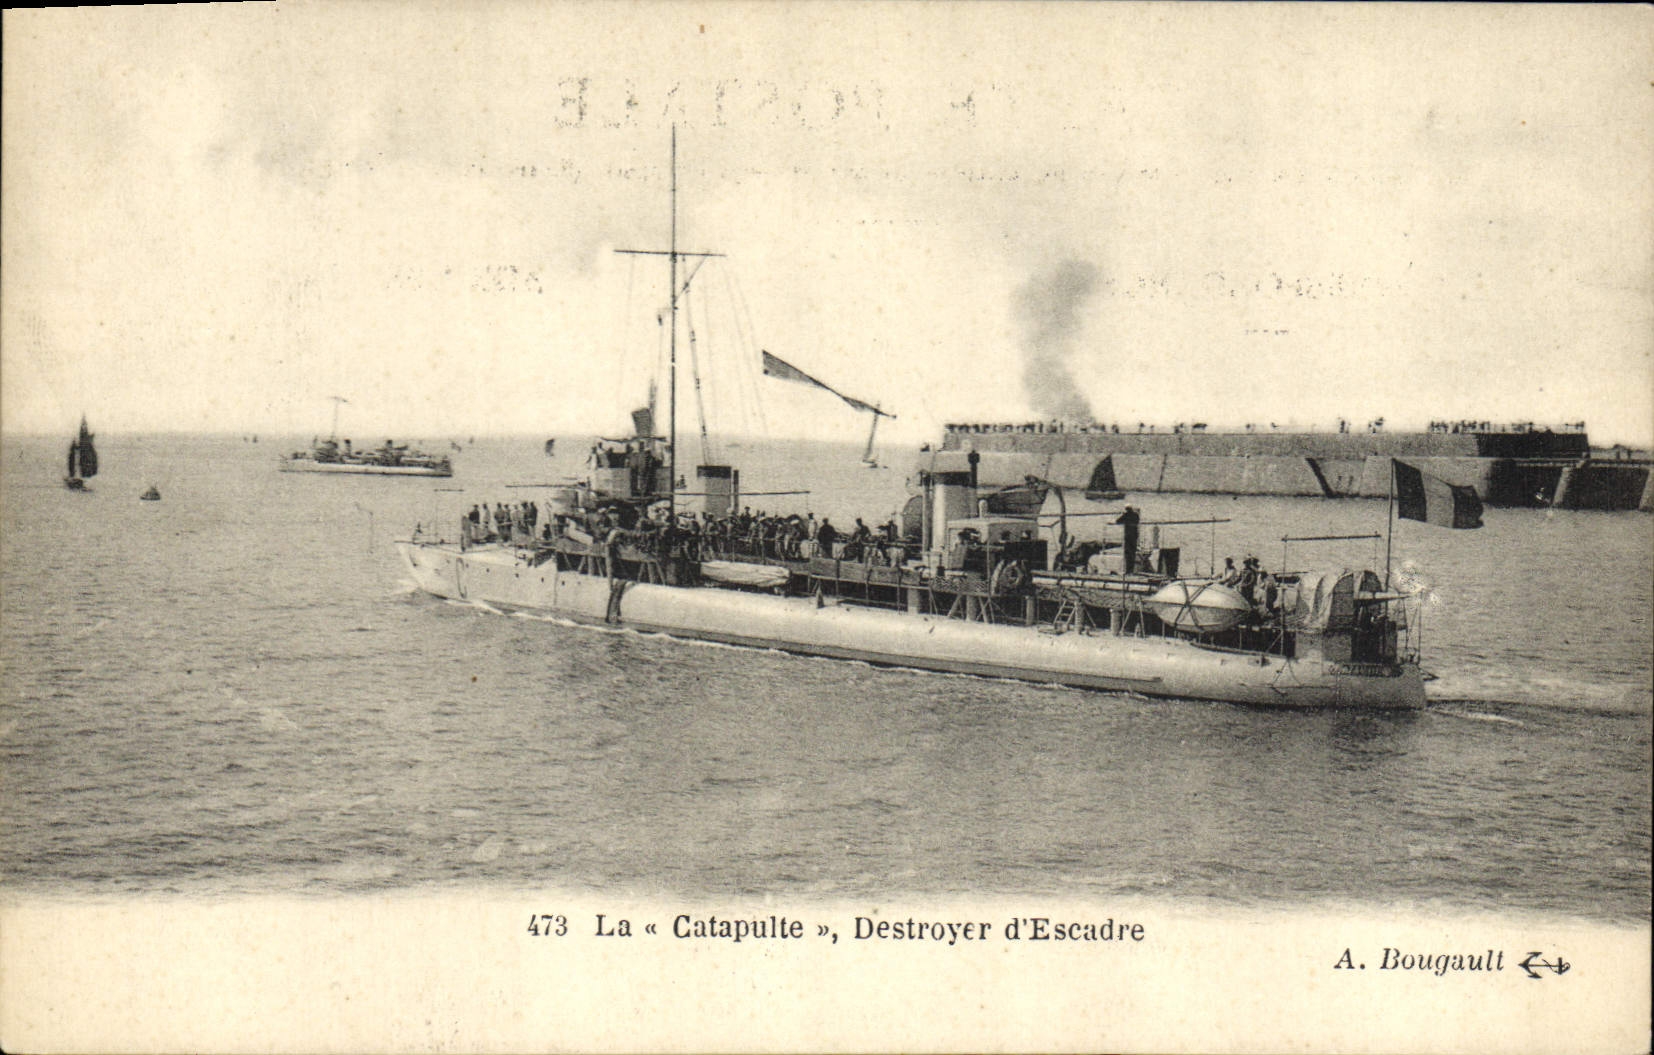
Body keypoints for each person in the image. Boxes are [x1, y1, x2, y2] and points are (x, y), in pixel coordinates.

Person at [1115, 506, 1141, 574]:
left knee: (1128, 554)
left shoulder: (1126, 515)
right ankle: (1131, 570)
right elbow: (1137, 522)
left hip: (1128, 537)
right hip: (1134, 537)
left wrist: (1123, 516)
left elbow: (1117, 521)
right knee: (1132, 554)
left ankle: (1128, 570)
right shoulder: (1136, 515)